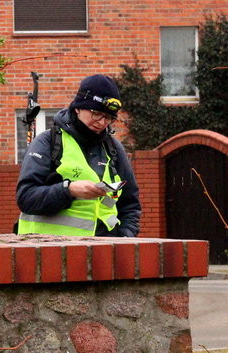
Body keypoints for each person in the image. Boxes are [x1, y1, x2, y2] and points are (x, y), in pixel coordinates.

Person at [16, 74, 141, 237]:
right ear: (78, 108)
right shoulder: (49, 141)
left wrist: (125, 238)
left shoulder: (113, 148)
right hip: (48, 251)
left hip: (104, 252)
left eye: (109, 118)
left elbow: (130, 205)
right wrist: (68, 190)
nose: (102, 122)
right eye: (96, 113)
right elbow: (26, 198)